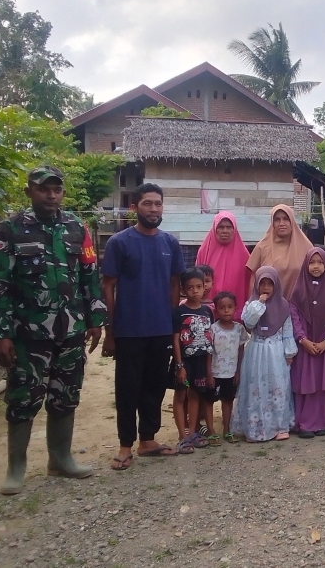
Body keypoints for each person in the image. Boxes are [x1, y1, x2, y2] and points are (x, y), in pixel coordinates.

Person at [0, 165, 106, 495]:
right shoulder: (9, 230)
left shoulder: (76, 228)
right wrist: (1, 333)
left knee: (66, 395)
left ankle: (61, 458)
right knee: (23, 398)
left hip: (71, 330)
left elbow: (89, 275)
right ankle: (16, 468)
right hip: (28, 334)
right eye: (43, 189)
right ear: (30, 192)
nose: (51, 195)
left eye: (56, 189)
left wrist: (96, 319)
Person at [101, 183, 186, 470]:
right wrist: (110, 330)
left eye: (158, 204)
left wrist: (172, 322)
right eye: (147, 203)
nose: (153, 209)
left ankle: (147, 440)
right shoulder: (119, 243)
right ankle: (125, 445)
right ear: (135, 207)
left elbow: (175, 284)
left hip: (161, 328)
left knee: (155, 386)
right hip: (129, 329)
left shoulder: (170, 243)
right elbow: (108, 286)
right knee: (128, 389)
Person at [231, 267, 297, 442]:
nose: (266, 288)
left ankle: (279, 426)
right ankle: (255, 428)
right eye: (262, 284)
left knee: (277, 386)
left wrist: (289, 352)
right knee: (256, 387)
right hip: (256, 351)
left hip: (276, 353)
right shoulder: (251, 304)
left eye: (270, 284)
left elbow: (287, 331)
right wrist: (259, 304)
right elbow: (249, 324)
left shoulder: (283, 305)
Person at [288, 247, 325, 438]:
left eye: (320, 262)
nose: (316, 266)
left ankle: (324, 421)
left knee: (323, 383)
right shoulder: (298, 291)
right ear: (305, 265)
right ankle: (304, 423)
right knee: (306, 382)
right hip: (305, 347)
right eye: (312, 262)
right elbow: (294, 317)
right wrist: (302, 339)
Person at [169, 268, 215, 452]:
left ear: (205, 287)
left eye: (199, 287)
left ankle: (193, 432)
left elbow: (209, 341)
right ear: (183, 289)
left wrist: (209, 370)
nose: (195, 291)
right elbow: (175, 340)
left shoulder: (207, 311)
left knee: (195, 395)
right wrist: (179, 365)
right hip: (184, 362)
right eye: (190, 288)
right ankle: (183, 435)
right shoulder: (178, 312)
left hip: (200, 362)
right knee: (181, 395)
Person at [205, 291, 249, 442]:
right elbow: (209, 352)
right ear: (216, 309)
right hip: (215, 373)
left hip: (231, 374)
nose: (226, 310)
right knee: (209, 401)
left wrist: (238, 371)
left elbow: (241, 350)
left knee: (228, 400)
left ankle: (227, 430)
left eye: (230, 307)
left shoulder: (239, 329)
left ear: (235, 308)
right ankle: (211, 431)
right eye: (222, 307)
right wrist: (209, 373)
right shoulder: (213, 329)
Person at [246, 204, 314, 301]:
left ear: (292, 222)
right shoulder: (262, 247)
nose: (281, 223)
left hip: (298, 306)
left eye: (286, 219)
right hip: (268, 306)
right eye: (277, 219)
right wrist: (252, 304)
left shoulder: (306, 247)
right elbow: (253, 279)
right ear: (272, 224)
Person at [195, 211, 250, 321]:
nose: (225, 231)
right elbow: (196, 280)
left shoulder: (244, 254)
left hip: (234, 312)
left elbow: (249, 284)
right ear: (214, 229)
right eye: (220, 227)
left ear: (234, 229)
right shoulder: (204, 251)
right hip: (207, 310)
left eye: (229, 227)